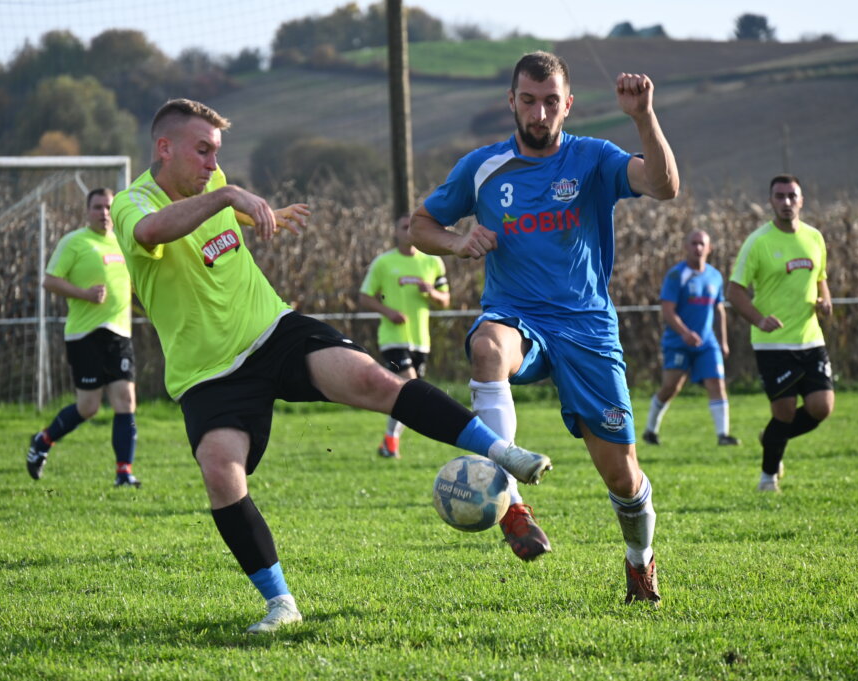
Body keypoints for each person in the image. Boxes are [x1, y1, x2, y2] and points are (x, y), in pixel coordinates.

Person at [109, 98, 552, 633]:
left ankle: (504, 454)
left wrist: (257, 213)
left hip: (274, 331)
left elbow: (218, 223)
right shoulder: (132, 203)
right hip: (208, 373)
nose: (211, 163)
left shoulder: (212, 183)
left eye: (216, 154)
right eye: (202, 151)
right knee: (221, 474)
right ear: (164, 148)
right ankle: (281, 604)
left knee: (374, 378)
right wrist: (230, 195)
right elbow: (153, 233)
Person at [410, 51, 679, 603]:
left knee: (622, 477)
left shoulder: (594, 159)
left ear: (568, 105)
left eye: (551, 102)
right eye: (528, 101)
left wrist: (643, 116)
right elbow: (418, 225)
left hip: (586, 328)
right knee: (486, 348)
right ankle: (511, 504)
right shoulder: (482, 168)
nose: (539, 113)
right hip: (516, 316)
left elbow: (663, 185)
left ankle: (639, 562)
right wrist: (457, 241)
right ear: (511, 102)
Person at [25, 188, 140, 487]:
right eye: (97, 207)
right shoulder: (75, 242)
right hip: (84, 335)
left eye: (108, 207)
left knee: (126, 400)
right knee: (88, 407)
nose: (103, 213)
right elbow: (49, 281)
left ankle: (124, 472)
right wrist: (84, 294)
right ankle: (44, 439)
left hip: (119, 334)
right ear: (87, 211)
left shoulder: (124, 243)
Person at [727, 174, 834, 492]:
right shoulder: (758, 242)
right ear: (771, 201)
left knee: (822, 408)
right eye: (780, 196)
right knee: (784, 412)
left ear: (802, 199)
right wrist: (759, 320)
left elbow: (821, 277)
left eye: (792, 196)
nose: (786, 202)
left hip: (811, 338)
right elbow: (735, 291)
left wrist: (825, 300)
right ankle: (768, 478)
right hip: (773, 344)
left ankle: (771, 436)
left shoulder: (815, 237)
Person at [359, 215, 450, 459]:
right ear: (396, 232)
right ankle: (391, 443)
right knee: (410, 387)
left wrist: (431, 292)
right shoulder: (384, 263)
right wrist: (388, 312)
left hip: (422, 339)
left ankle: (389, 441)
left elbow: (445, 300)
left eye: (413, 226)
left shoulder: (433, 262)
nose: (409, 231)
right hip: (393, 338)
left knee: (409, 395)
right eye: (403, 226)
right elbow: (365, 296)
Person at [642, 230, 741, 447]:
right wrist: (685, 333)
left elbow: (719, 310)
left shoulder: (715, 276)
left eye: (701, 244)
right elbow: (668, 310)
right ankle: (650, 430)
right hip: (678, 342)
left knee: (717, 383)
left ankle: (723, 435)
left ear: (709, 248)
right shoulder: (677, 275)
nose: (697, 248)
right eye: (693, 243)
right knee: (671, 388)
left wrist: (723, 341)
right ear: (686, 247)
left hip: (707, 343)